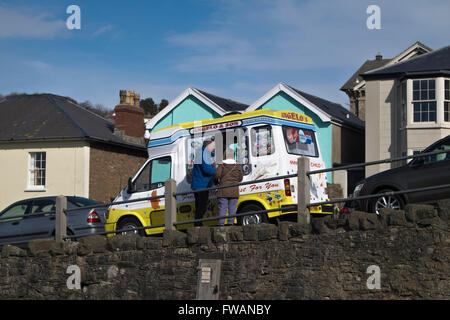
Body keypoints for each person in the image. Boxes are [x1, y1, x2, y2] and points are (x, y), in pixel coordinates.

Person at [214, 148, 243, 226]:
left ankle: (221, 224)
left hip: (223, 190)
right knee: (232, 208)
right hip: (234, 190)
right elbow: (240, 179)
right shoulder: (237, 166)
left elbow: (217, 175)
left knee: (222, 208)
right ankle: (230, 223)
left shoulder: (221, 165)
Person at [191, 139, 216, 226]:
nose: (214, 147)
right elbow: (207, 170)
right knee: (201, 206)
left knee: (200, 206)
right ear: (208, 146)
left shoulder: (202, 153)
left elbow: (212, 155)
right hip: (201, 185)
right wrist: (218, 170)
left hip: (199, 184)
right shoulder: (203, 155)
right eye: (213, 145)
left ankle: (198, 224)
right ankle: (198, 225)